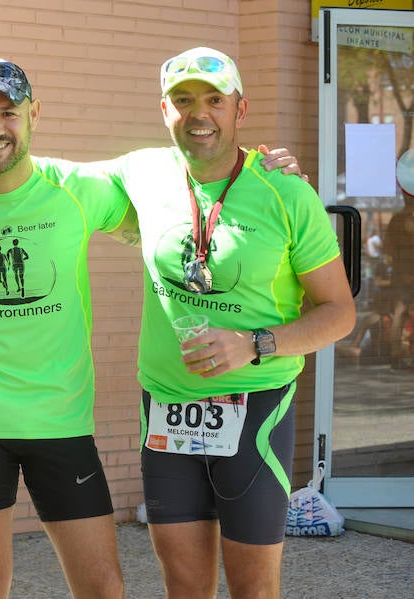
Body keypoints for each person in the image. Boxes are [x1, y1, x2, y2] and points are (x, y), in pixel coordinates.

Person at [0, 56, 306, 598]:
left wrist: (258, 172)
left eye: (9, 112)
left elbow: (175, 205)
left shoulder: (77, 188)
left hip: (61, 420)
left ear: (33, 114)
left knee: (102, 587)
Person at [110, 47, 356, 598]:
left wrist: (254, 344)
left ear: (240, 111)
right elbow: (45, 181)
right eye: (184, 100)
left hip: (256, 411)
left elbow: (340, 312)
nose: (200, 114)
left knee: (253, 589)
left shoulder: (286, 192)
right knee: (184, 586)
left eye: (214, 100)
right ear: (165, 110)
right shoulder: (144, 174)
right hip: (167, 409)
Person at [382, 149, 414, 369]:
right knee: (401, 311)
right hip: (405, 272)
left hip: (402, 272)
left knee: (400, 312)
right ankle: (398, 352)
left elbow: (387, 249)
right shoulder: (400, 219)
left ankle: (396, 353)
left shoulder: (396, 219)